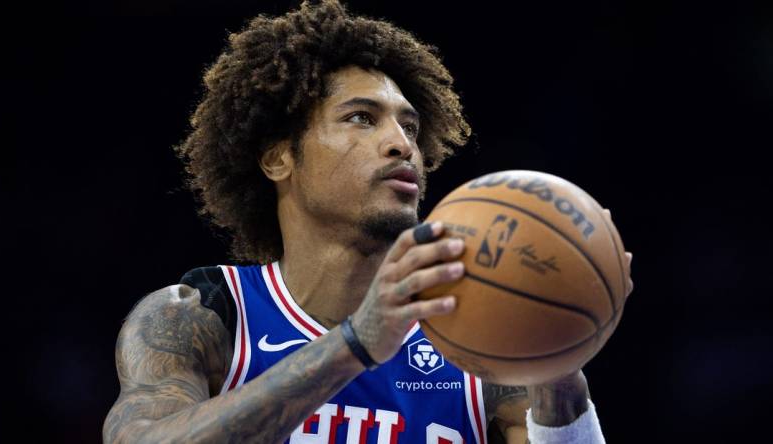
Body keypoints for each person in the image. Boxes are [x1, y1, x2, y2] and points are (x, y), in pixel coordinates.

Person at [103, 1, 633, 443]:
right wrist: (355, 344)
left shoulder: (475, 334)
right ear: (278, 158)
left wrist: (558, 364)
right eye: (361, 117)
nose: (402, 144)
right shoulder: (203, 315)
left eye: (409, 125)